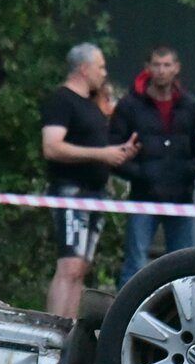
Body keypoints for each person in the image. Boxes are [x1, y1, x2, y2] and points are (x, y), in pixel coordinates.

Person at [41, 43, 140, 317]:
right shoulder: (61, 100)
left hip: (95, 193)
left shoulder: (92, 106)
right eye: (101, 67)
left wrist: (118, 154)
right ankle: (53, 326)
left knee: (80, 268)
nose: (104, 73)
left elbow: (97, 148)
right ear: (84, 69)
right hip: (71, 191)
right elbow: (52, 147)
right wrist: (101, 154)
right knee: (69, 266)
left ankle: (69, 331)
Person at [109, 46, 195, 287]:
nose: (161, 71)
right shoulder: (130, 106)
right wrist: (141, 175)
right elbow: (114, 150)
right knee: (135, 263)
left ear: (176, 68)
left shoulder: (189, 107)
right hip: (144, 197)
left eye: (167, 65)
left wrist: (188, 172)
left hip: (180, 197)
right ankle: (124, 318)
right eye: (157, 65)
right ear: (148, 68)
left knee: (184, 265)